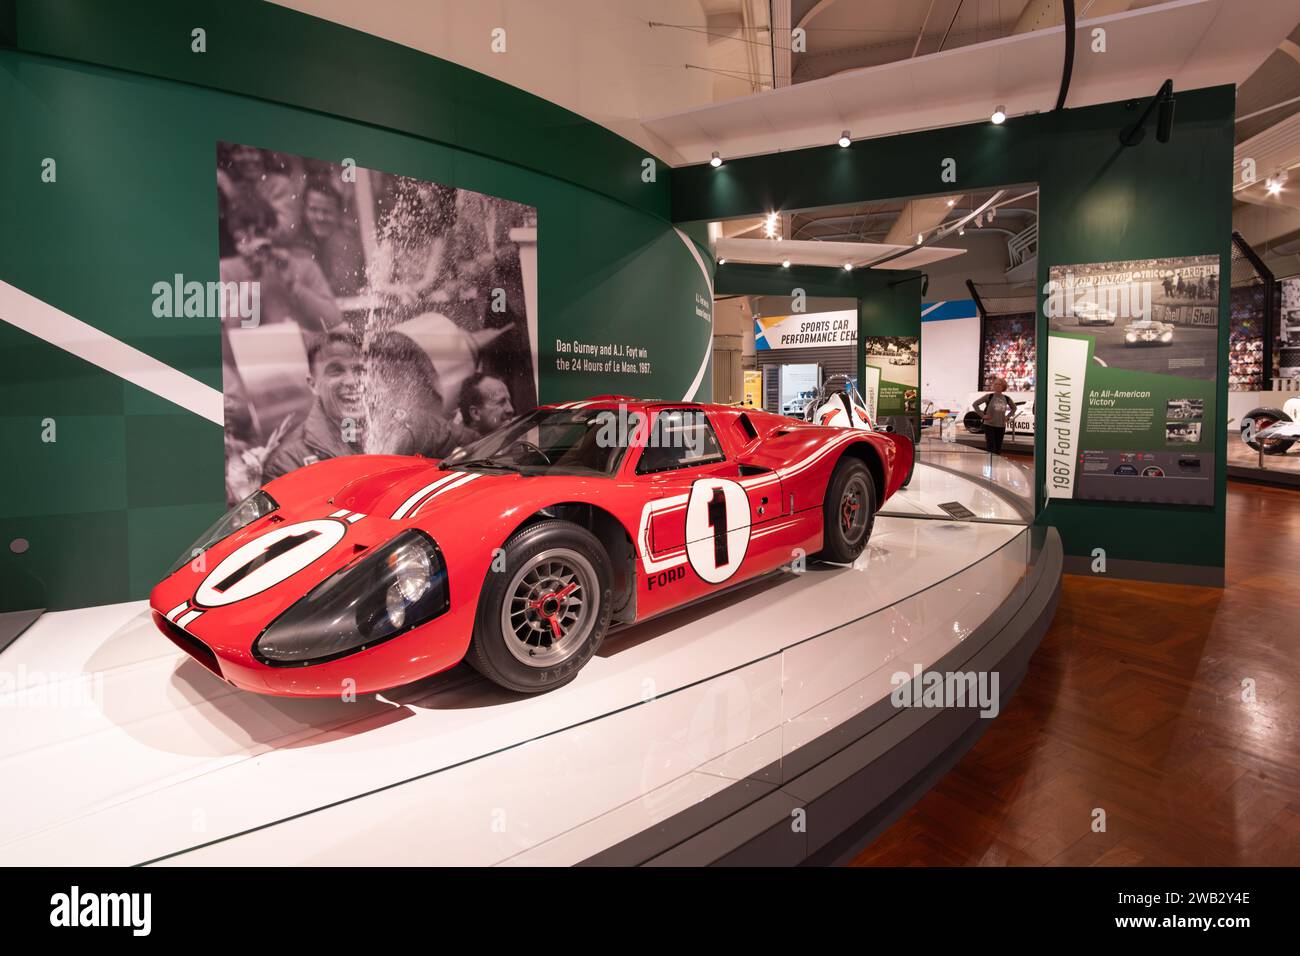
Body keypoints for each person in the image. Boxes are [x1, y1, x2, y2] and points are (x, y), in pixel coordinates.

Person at [262, 332, 367, 480]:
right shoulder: (287, 462)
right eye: (336, 372)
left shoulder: (402, 432)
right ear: (313, 385)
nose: (352, 381)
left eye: (359, 370)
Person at [458, 372, 515, 437]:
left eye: (509, 401)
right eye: (501, 402)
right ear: (475, 413)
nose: (511, 410)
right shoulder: (463, 446)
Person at [972, 378, 1016, 455]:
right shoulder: (989, 396)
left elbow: (1014, 408)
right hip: (989, 425)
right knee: (991, 447)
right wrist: (982, 416)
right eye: (995, 384)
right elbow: (975, 404)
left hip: (1001, 425)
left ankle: (996, 464)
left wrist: (1008, 417)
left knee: (998, 448)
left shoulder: (1006, 398)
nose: (997, 386)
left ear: (1003, 386)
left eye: (999, 384)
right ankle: (990, 464)